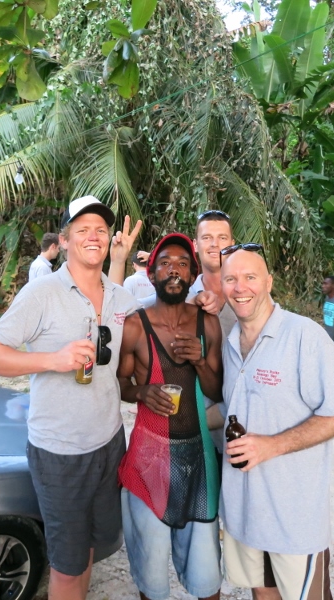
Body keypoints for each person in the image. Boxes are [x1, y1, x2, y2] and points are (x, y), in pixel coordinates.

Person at [0, 195, 141, 600]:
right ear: (64, 240)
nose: (93, 237)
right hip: (60, 452)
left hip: (109, 443)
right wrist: (53, 359)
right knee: (66, 568)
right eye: (82, 230)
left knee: (88, 550)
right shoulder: (42, 293)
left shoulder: (120, 298)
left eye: (100, 230)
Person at [218, 245, 334, 600]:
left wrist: (272, 445)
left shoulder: (303, 336)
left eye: (250, 277)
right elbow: (234, 405)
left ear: (269, 282)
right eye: (231, 279)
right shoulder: (231, 342)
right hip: (244, 515)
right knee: (262, 593)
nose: (240, 288)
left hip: (292, 518)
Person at [117, 233, 224, 600]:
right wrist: (142, 392)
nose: (173, 270)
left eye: (181, 263)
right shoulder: (135, 325)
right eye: (164, 263)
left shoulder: (207, 323)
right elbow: (119, 385)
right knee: (151, 573)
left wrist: (198, 359)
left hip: (199, 460)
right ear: (151, 275)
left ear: (194, 273)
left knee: (208, 574)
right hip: (149, 458)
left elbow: (215, 390)